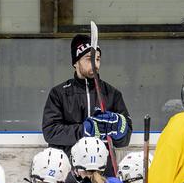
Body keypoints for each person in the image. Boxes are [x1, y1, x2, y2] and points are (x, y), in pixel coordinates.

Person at [42, 34, 132, 175]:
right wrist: (84, 130)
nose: (95, 64)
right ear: (75, 62)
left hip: (104, 172)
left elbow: (125, 138)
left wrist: (120, 131)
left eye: (97, 59)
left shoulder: (112, 94)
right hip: (69, 173)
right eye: (89, 59)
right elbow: (50, 131)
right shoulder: (59, 94)